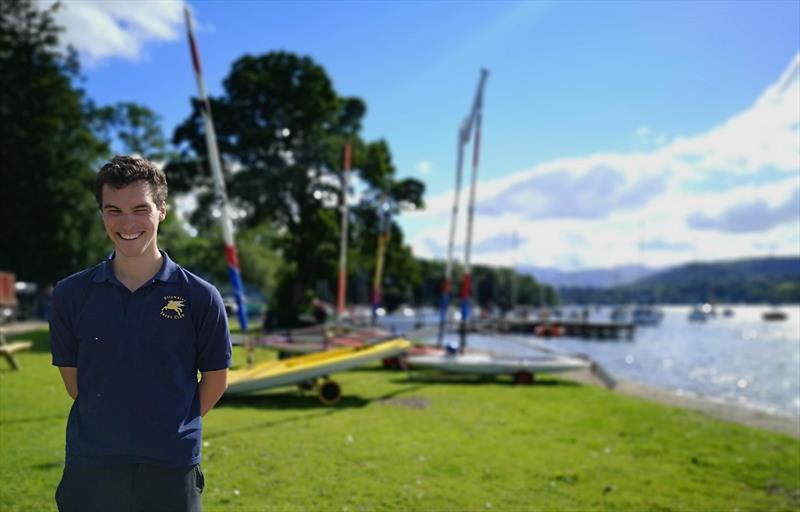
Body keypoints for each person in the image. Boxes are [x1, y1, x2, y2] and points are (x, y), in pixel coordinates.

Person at [49, 156, 232, 512]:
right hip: (92, 464)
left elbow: (215, 380)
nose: (127, 223)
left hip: (172, 465)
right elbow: (75, 382)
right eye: (113, 210)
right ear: (102, 213)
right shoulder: (71, 294)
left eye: (140, 209)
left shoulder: (200, 296)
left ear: (162, 210)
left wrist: (168, 426)